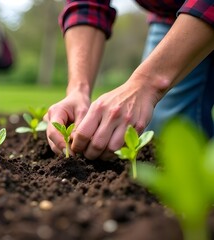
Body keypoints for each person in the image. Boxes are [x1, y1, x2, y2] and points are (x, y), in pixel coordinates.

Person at [45, 0, 214, 160]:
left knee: (177, 140)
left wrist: (146, 84)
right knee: (165, 135)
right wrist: (78, 89)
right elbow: (86, 5)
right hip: (171, 15)